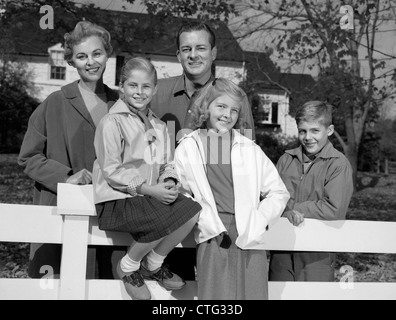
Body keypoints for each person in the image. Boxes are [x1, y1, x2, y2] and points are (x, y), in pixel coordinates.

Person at [150, 21, 255, 280]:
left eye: (201, 48)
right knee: (171, 288)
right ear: (178, 55)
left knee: (218, 287)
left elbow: (247, 157)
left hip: (219, 211)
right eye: (186, 49)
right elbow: (140, 145)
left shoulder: (235, 97)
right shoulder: (156, 93)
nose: (193, 55)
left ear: (214, 52)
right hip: (168, 209)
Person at [92, 57, 202, 300]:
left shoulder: (159, 126)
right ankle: (128, 266)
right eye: (132, 85)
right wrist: (149, 190)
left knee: (192, 210)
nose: (139, 92)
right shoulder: (111, 122)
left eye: (145, 87)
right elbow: (111, 171)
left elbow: (167, 163)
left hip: (149, 200)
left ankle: (152, 263)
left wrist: (170, 180)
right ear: (121, 86)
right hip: (117, 200)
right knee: (163, 215)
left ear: (155, 89)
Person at [17, 21, 120, 279]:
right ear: (71, 62)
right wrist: (65, 176)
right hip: (61, 209)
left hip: (111, 212)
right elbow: (28, 156)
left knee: (105, 285)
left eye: (97, 53)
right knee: (60, 285)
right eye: (82, 56)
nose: (91, 62)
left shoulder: (121, 104)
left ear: (108, 54)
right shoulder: (55, 102)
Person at [174, 78, 290, 300]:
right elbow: (181, 192)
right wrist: (203, 220)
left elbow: (278, 192)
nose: (228, 114)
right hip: (214, 236)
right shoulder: (189, 147)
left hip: (249, 233)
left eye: (234, 110)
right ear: (206, 107)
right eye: (221, 106)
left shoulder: (249, 148)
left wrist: (260, 220)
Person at [268, 100, 354, 282]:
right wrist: (285, 212)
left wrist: (296, 210)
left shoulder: (338, 164)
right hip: (282, 247)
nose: (308, 137)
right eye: (302, 131)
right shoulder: (286, 159)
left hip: (317, 251)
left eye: (315, 130)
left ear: (329, 130)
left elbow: (334, 208)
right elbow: (270, 197)